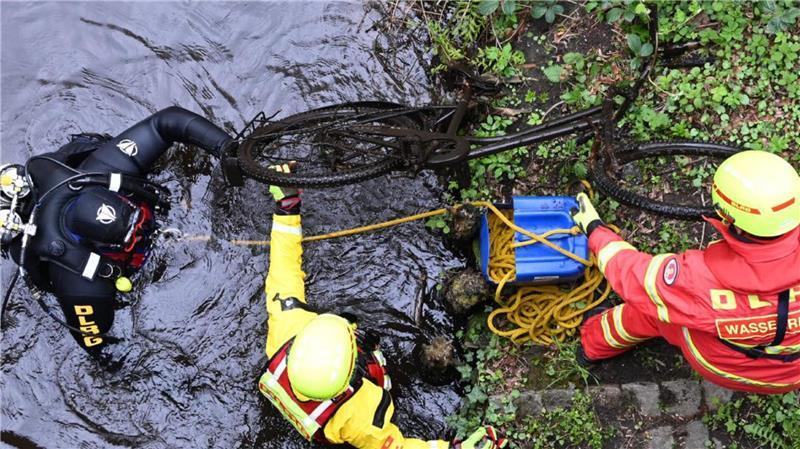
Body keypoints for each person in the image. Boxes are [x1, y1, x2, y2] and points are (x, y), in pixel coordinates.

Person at [259, 164, 508, 449]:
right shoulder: (359, 421)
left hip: (306, 409)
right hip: (335, 422)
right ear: (349, 372)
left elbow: (283, 268)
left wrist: (286, 208)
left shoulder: (286, 326)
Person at [0, 106, 232, 362]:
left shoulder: (105, 168)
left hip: (91, 205)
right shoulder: (77, 277)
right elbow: (95, 342)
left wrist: (229, 151)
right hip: (99, 243)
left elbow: (167, 122)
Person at [572, 150, 800, 393]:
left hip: (728, 368)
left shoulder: (698, 279)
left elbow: (634, 276)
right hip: (793, 375)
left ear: (728, 216)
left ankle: (591, 347)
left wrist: (594, 230)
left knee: (650, 310)